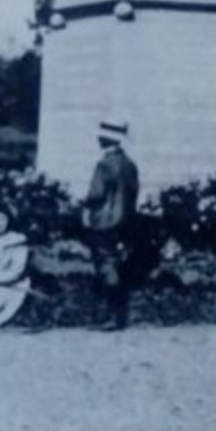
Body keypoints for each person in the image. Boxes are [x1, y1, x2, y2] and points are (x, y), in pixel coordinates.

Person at [82, 117, 139, 331]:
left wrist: (86, 211)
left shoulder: (104, 164)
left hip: (104, 221)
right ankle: (118, 314)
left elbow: (96, 194)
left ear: (105, 139)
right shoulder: (130, 164)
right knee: (117, 265)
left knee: (106, 266)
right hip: (126, 221)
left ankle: (113, 316)